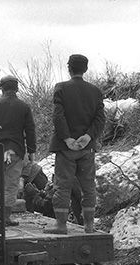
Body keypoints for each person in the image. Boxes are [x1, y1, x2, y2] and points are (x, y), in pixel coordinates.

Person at [44, 54, 106, 234]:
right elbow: (100, 118)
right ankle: (89, 226)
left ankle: (61, 226)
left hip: (66, 149)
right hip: (87, 149)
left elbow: (58, 116)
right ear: (85, 69)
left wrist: (67, 139)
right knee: (88, 187)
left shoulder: (61, 88)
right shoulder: (95, 91)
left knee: (62, 186)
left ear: (69, 68)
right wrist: (88, 136)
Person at [0, 75, 36, 226]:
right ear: (17, 88)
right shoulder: (24, 107)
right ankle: (5, 217)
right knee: (11, 184)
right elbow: (30, 130)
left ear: (2, 88)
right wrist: (31, 150)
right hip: (15, 150)